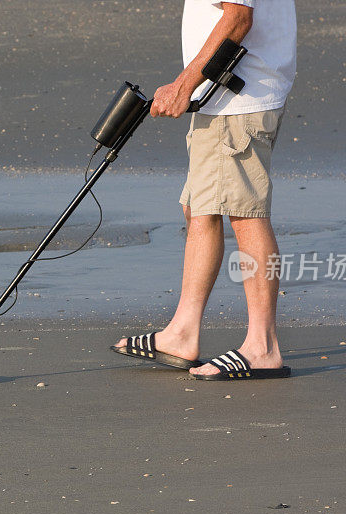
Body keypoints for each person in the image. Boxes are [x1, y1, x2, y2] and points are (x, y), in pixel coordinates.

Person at [112, 0, 297, 380]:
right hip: (225, 96)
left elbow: (238, 17)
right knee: (201, 208)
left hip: (237, 100)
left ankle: (262, 347)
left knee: (246, 214)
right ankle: (182, 332)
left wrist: (183, 84)